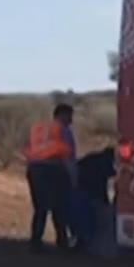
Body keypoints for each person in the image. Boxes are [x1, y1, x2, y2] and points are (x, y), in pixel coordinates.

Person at [22, 103, 78, 253]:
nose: (71, 119)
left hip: (35, 169)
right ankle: (62, 242)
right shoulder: (64, 131)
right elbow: (69, 158)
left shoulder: (39, 129)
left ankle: (36, 241)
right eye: (70, 115)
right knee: (60, 207)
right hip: (54, 169)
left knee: (40, 207)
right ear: (63, 115)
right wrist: (74, 179)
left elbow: (28, 149)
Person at [75, 146, 119, 257]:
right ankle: (96, 248)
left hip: (84, 192)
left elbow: (78, 165)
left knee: (87, 222)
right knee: (100, 223)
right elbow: (112, 173)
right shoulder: (105, 162)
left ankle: (84, 243)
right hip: (96, 195)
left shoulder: (91, 158)